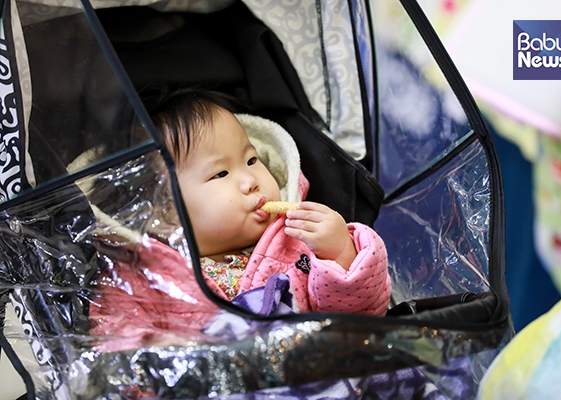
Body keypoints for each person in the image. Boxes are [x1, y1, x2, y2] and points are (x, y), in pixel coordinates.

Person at [89, 88, 390, 351]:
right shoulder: (141, 281)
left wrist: (341, 255)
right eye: (221, 173)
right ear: (159, 212)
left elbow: (362, 320)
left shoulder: (301, 239)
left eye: (251, 160)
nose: (250, 180)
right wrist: (162, 356)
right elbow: (115, 348)